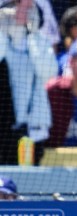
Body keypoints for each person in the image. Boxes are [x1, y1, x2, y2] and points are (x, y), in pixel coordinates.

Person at [0, 0, 58, 165]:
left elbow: (48, 73)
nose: (20, 12)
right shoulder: (2, 39)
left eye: (28, 9)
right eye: (15, 6)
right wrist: (3, 31)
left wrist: (32, 33)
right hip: (4, 129)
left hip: (33, 131)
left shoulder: (40, 41)